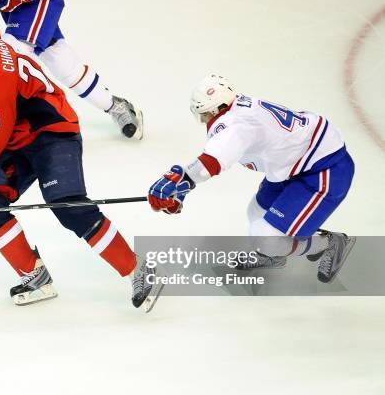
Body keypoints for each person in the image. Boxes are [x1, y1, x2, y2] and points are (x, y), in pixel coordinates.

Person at [0, 17, 161, 311]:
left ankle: (138, 269)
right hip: (18, 136)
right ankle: (35, 276)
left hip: (53, 132)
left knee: (68, 206)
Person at [147, 74, 356, 283]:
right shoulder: (237, 106)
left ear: (216, 109)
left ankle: (329, 243)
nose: (204, 122)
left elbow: (209, 164)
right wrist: (184, 184)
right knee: (255, 212)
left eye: (204, 115)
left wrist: (181, 180)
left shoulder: (237, 125)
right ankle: (272, 256)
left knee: (266, 237)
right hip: (293, 163)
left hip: (323, 170)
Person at [0, 0, 144, 140]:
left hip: (36, 1)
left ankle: (13, 122)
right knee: (61, 62)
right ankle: (114, 105)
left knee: (12, 53)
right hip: (15, 7)